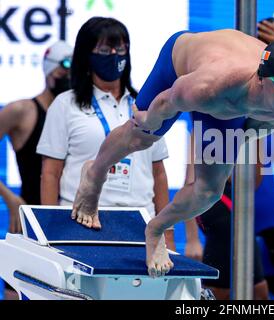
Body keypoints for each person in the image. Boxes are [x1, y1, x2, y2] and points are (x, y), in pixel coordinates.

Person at [71, 27, 274, 277]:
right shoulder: (210, 86)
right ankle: (94, 174)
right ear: (260, 79)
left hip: (231, 103)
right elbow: (167, 101)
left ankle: (156, 229)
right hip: (181, 67)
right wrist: (148, 121)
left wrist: (259, 126)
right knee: (140, 137)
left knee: (209, 192)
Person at [184, 18, 274, 299]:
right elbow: (191, 176)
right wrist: (190, 237)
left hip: (263, 212)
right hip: (225, 210)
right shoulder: (221, 106)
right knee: (229, 293)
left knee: (260, 294)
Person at [36, 17, 175, 251]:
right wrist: (48, 234)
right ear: (87, 55)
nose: (113, 54)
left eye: (119, 48)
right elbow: (50, 173)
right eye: (104, 49)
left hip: (140, 222)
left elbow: (159, 173)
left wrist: (166, 231)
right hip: (81, 220)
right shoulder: (66, 104)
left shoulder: (145, 105)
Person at [0, 40, 73, 299]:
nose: (67, 77)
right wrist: (10, 199)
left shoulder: (76, 115)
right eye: (63, 71)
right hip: (28, 221)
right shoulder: (22, 111)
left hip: (69, 225)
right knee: (16, 293)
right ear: (48, 70)